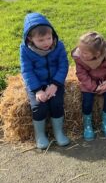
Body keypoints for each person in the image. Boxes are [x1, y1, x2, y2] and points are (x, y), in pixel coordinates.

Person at [20, 12, 70, 149]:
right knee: (38, 106)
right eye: (41, 40)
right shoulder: (25, 50)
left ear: (52, 34)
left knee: (57, 103)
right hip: (36, 83)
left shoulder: (58, 46)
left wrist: (55, 85)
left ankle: (58, 132)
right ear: (30, 38)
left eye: (49, 38)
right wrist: (37, 90)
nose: (46, 43)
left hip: (55, 81)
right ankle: (40, 135)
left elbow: (63, 65)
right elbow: (27, 71)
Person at [71, 32, 106, 141]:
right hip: (88, 83)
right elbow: (81, 74)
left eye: (85, 52)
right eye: (80, 50)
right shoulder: (79, 57)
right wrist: (93, 87)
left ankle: (105, 123)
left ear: (97, 53)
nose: (81, 53)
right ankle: (87, 125)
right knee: (87, 100)